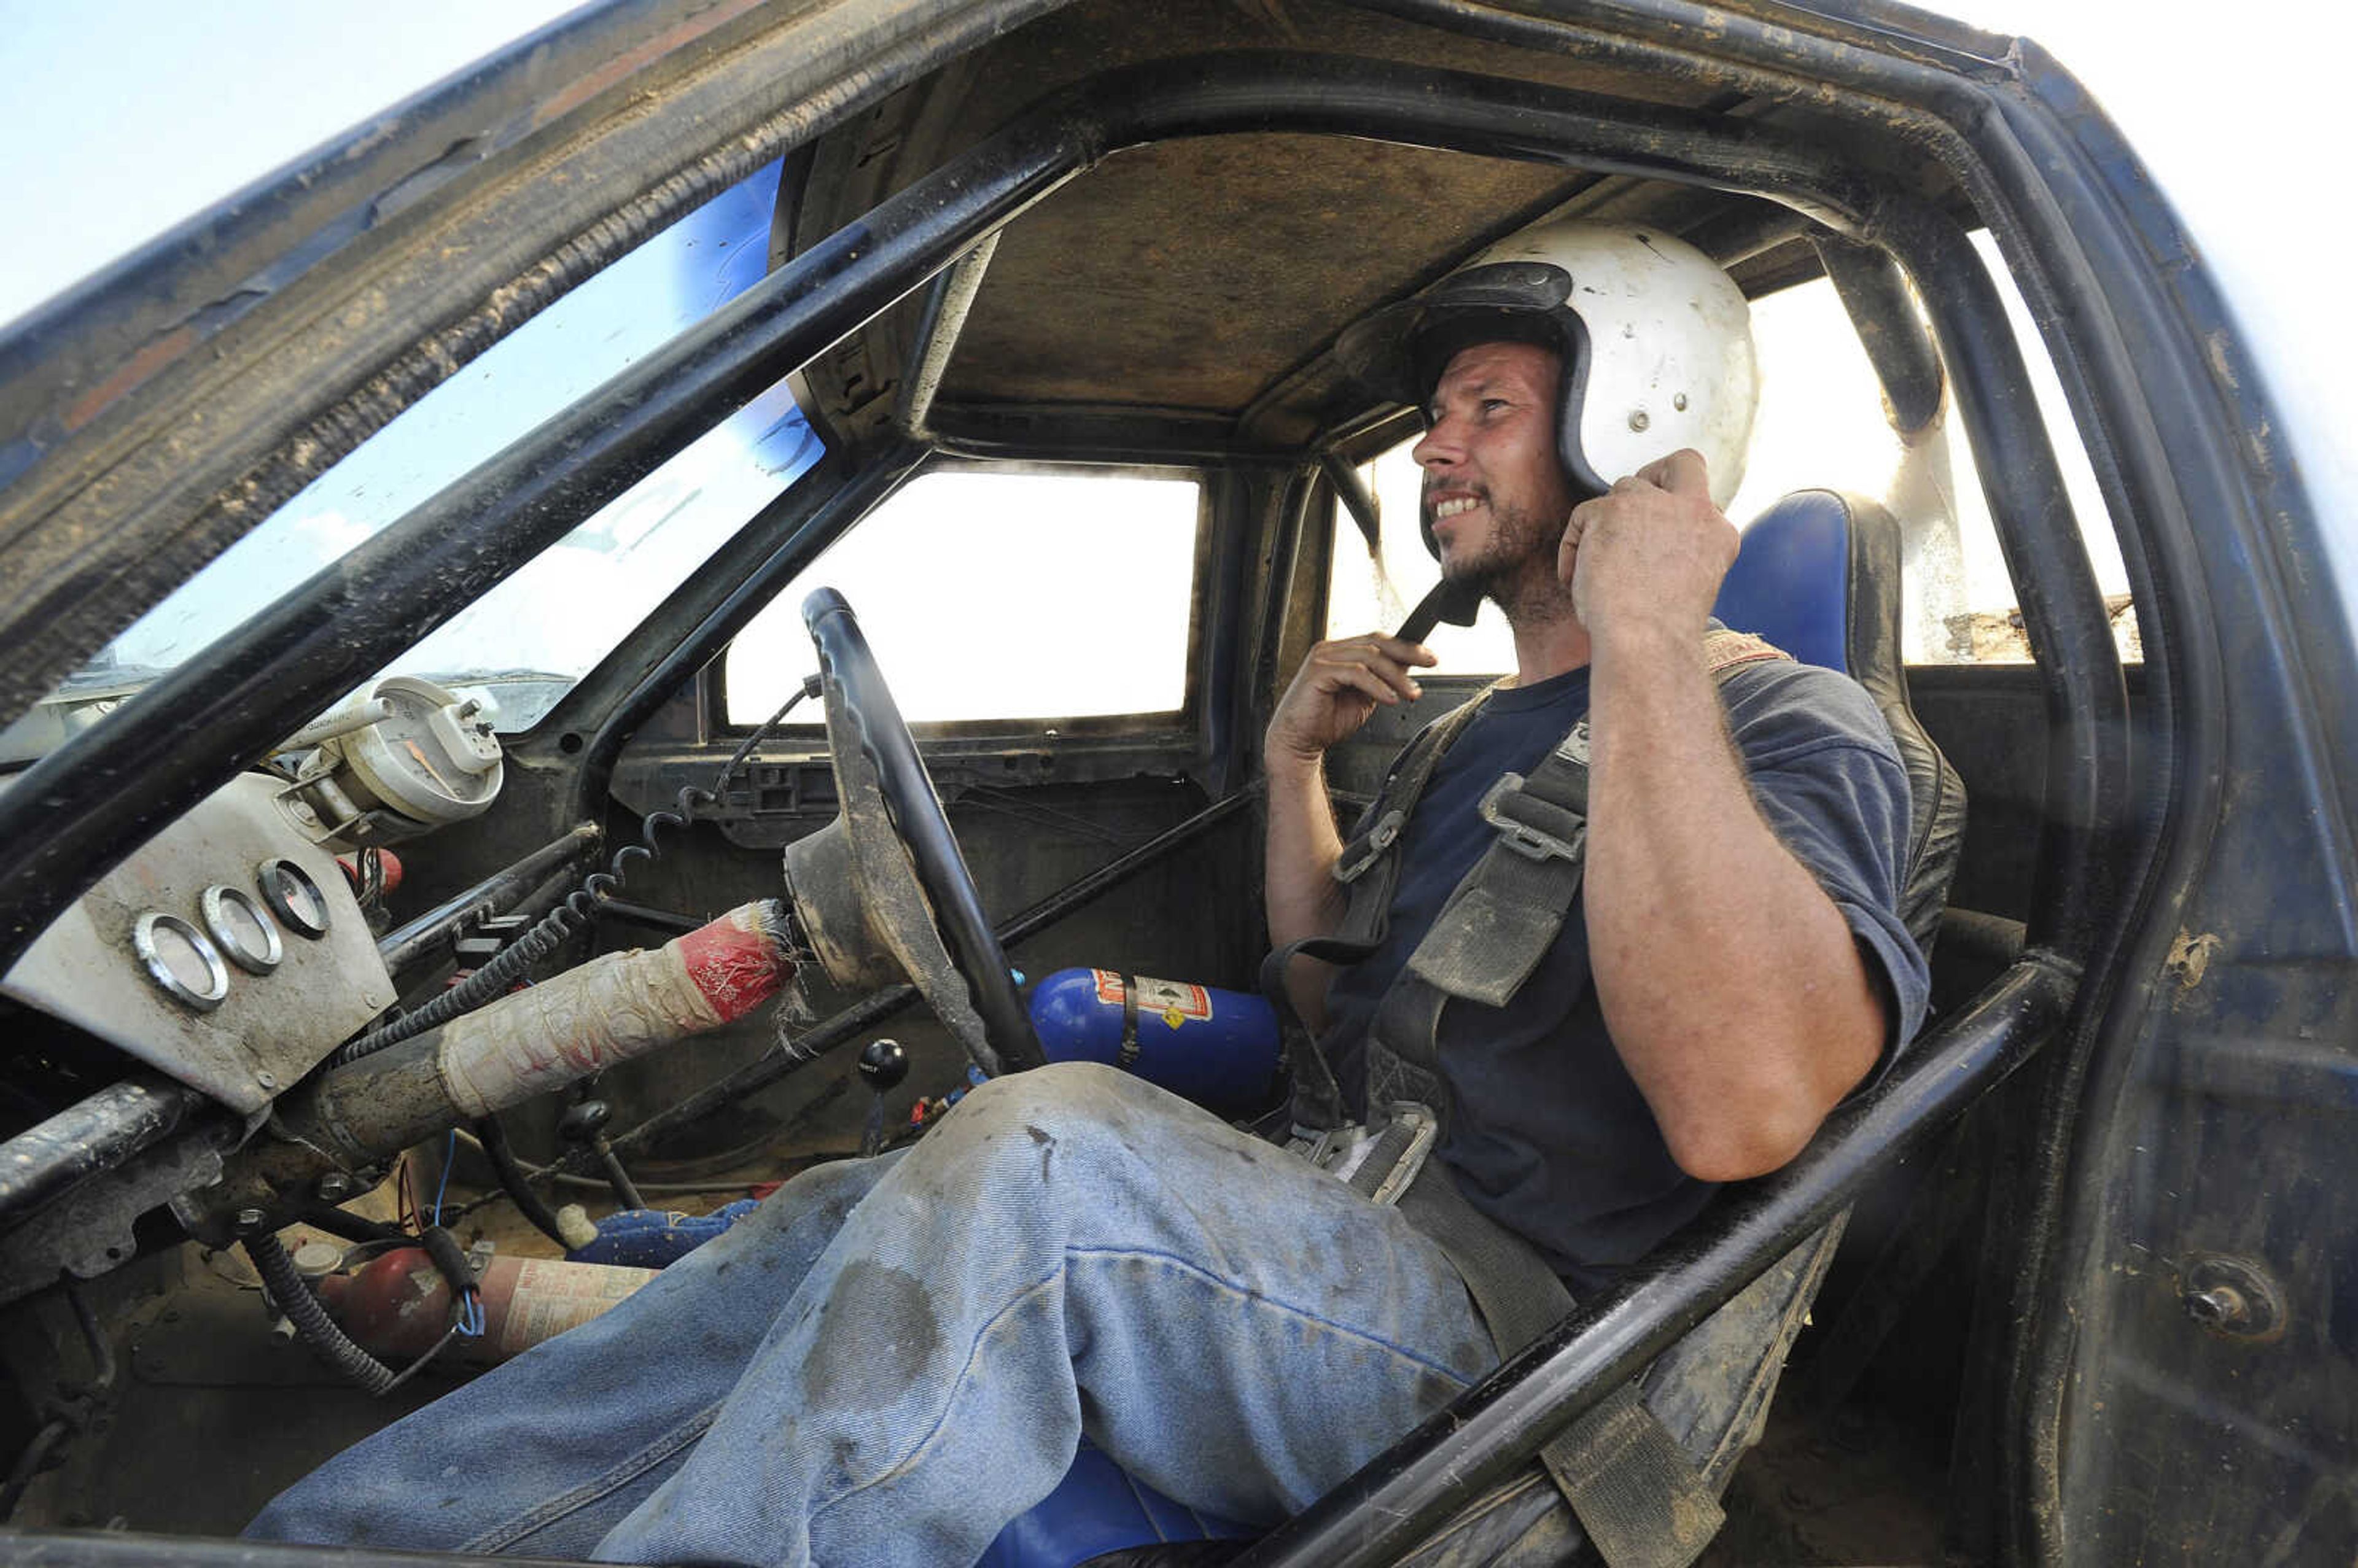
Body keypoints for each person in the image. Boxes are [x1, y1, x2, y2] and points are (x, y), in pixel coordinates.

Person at [247, 222, 1927, 1568]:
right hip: (1334, 1218)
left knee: (1038, 1171)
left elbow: (1744, 1108)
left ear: (1633, 419)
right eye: (1445, 414)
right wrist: (1287, 767)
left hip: (1504, 1335)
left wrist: (1647, 636)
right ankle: (334, 1542)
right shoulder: (1483, 731)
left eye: (1488, 409)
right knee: (845, 1225)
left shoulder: (1789, 722)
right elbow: (1346, 1022)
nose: (1437, 445)